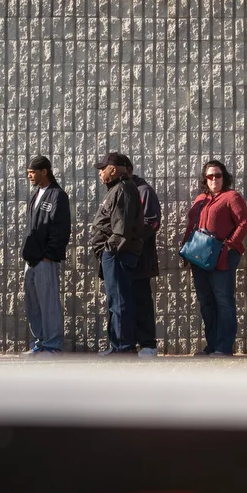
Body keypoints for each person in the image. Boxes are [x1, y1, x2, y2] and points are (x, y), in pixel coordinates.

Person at [183, 159, 247, 356]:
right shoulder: (200, 199)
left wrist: (229, 246)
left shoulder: (231, 197)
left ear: (224, 177)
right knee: (206, 302)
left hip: (222, 258)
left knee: (224, 301)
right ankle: (211, 345)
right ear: (205, 179)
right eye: (210, 176)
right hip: (199, 257)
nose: (214, 179)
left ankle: (224, 346)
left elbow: (244, 222)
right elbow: (191, 226)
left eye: (218, 175)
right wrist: (186, 248)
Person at [90, 152, 145, 356]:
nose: (100, 173)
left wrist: (108, 251)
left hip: (118, 255)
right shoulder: (117, 189)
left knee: (120, 301)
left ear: (113, 170)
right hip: (114, 255)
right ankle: (118, 345)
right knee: (115, 300)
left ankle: (123, 347)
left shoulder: (122, 189)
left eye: (103, 169)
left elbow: (121, 230)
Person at [21, 156, 72, 355]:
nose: (29, 176)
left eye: (32, 172)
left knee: (48, 303)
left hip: (45, 260)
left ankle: (53, 345)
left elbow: (61, 229)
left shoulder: (57, 195)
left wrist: (49, 255)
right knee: (33, 304)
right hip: (31, 259)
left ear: (45, 171)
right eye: (28, 172)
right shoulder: (36, 194)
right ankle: (39, 343)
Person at [118, 156, 161, 358]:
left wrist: (129, 239)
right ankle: (127, 344)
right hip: (121, 258)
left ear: (127, 169)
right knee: (125, 302)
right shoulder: (118, 190)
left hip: (139, 258)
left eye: (114, 168)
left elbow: (152, 222)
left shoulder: (143, 190)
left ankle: (148, 344)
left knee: (141, 300)